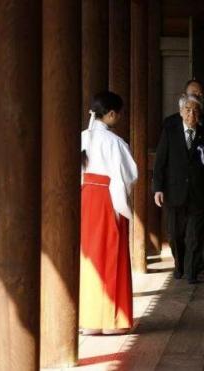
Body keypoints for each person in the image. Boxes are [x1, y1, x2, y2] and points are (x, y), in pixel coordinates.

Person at [80, 91, 138, 335]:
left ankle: (90, 320)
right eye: (119, 113)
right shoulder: (115, 142)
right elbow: (128, 175)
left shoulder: (82, 137)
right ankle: (112, 320)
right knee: (111, 254)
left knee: (89, 257)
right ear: (112, 114)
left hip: (86, 198)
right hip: (107, 198)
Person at [153, 94, 204, 284]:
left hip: (199, 193)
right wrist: (158, 188)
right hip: (174, 192)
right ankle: (180, 265)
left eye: (195, 110)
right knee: (175, 235)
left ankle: (191, 272)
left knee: (195, 235)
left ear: (200, 113)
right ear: (181, 112)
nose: (191, 114)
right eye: (188, 110)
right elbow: (160, 162)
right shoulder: (170, 131)